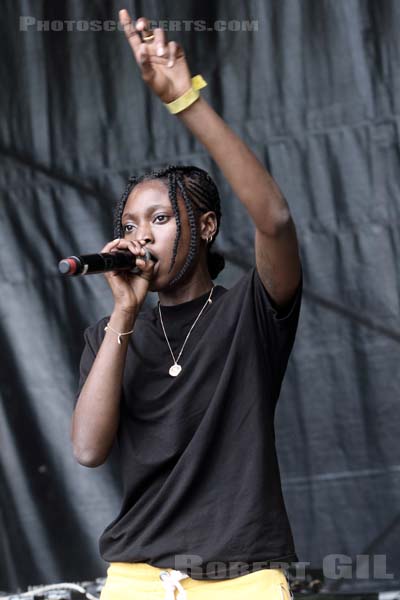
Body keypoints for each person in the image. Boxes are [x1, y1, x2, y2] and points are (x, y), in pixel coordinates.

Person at [71, 9, 303, 600]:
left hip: (241, 577)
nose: (140, 235)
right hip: (137, 575)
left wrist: (185, 101)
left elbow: (274, 220)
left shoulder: (249, 312)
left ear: (204, 224)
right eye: (129, 223)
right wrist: (124, 313)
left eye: (160, 217)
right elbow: (88, 449)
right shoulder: (110, 335)